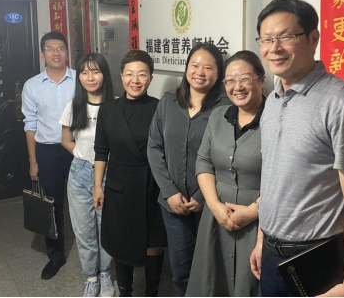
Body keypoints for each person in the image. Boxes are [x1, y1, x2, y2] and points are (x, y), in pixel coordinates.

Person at [249, 0, 344, 297]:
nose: (274, 48)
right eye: (266, 39)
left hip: (314, 258)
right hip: (271, 252)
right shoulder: (273, 99)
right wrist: (261, 239)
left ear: (313, 38)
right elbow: (274, 178)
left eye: (285, 37)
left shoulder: (341, 101)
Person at [148, 43, 231, 297]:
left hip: (213, 203)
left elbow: (229, 157)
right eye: (194, 65)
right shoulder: (168, 102)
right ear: (186, 69)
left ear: (219, 73)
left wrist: (203, 196)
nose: (200, 72)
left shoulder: (227, 107)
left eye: (208, 67)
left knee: (212, 267)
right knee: (181, 270)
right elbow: (154, 147)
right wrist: (169, 192)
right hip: (173, 204)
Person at [187, 51, 266, 297]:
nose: (237, 87)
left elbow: (285, 177)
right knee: (213, 282)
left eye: (244, 79)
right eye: (230, 81)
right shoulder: (218, 116)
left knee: (249, 283)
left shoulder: (276, 120)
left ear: (261, 80)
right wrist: (214, 206)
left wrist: (253, 211)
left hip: (259, 222)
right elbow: (204, 161)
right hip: (216, 218)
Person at [93, 50, 167, 298]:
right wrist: (98, 186)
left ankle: (152, 292)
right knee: (121, 242)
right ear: (122, 77)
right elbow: (101, 150)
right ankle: (125, 291)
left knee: (153, 243)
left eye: (142, 74)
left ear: (151, 78)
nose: (135, 80)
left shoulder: (160, 108)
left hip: (151, 185)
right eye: (130, 74)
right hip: (118, 186)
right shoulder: (108, 109)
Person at [60, 53, 116, 297]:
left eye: (95, 71)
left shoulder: (116, 105)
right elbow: (65, 140)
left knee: (107, 228)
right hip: (79, 174)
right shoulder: (74, 106)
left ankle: (106, 274)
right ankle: (91, 277)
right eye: (84, 72)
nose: (90, 77)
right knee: (84, 231)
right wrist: (82, 155)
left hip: (109, 174)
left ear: (105, 75)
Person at [22, 32, 76, 280]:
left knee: (85, 201)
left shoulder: (79, 79)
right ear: (42, 54)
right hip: (47, 152)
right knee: (51, 205)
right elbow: (30, 125)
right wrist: (33, 161)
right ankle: (56, 256)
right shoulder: (32, 85)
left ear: (67, 52)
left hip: (76, 149)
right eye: (50, 49)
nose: (56, 53)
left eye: (61, 48)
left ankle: (95, 252)